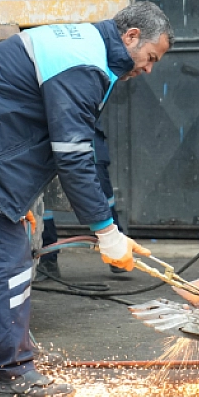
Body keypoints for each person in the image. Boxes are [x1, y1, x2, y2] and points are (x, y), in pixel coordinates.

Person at [0, 2, 174, 397]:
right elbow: (73, 155)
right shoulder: (86, 66)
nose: (149, 69)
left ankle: (13, 353)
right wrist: (106, 230)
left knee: (8, 250)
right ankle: (13, 376)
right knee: (6, 258)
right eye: (151, 57)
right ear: (131, 37)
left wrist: (20, 196)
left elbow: (36, 124)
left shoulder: (89, 46)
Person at [38, 120, 124, 281]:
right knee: (40, 193)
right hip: (40, 125)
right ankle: (46, 258)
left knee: (98, 182)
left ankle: (118, 249)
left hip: (82, 123)